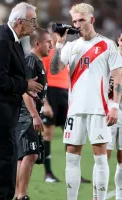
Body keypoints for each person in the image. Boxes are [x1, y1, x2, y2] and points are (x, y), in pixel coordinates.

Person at [50, 3, 122, 200]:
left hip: (99, 109)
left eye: (81, 20)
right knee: (71, 157)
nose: (77, 24)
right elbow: (55, 69)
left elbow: (117, 77)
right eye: (74, 21)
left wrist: (114, 105)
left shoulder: (108, 45)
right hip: (75, 110)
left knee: (100, 158)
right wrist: (59, 43)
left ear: (92, 20)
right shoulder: (71, 47)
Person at [0, 2, 43, 200]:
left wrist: (27, 88)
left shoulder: (12, 38)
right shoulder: (2, 39)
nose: (34, 25)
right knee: (6, 160)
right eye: (32, 21)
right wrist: (25, 86)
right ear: (21, 22)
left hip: (3, 109)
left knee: (6, 160)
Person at [41, 21, 91, 183]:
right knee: (47, 134)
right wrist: (45, 103)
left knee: (71, 135)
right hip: (51, 94)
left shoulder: (67, 52)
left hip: (65, 95)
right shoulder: (47, 53)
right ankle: (48, 173)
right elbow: (42, 79)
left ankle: (73, 173)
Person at [15, 27, 52, 200]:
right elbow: (25, 91)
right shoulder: (30, 61)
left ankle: (18, 194)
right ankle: (21, 195)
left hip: (28, 115)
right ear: (38, 43)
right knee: (29, 154)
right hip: (25, 115)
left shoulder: (37, 62)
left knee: (26, 155)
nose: (50, 46)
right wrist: (34, 115)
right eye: (48, 43)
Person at [107, 30, 122, 200]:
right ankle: (99, 195)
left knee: (121, 157)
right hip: (110, 110)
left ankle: (119, 195)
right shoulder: (110, 59)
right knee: (105, 154)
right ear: (118, 40)